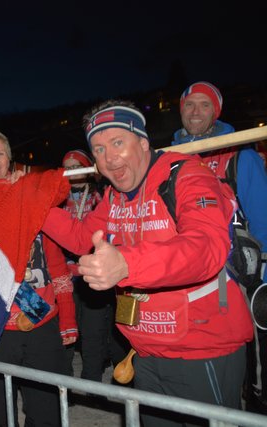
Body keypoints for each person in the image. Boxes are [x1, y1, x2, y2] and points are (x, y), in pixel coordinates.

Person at [41, 100, 253, 427]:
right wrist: (32, 206)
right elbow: (84, 236)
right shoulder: (113, 196)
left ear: (142, 142)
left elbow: (206, 248)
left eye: (117, 143)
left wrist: (126, 264)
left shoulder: (186, 175)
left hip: (201, 350)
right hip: (145, 352)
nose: (109, 157)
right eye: (98, 148)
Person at [0, 127, 77, 427]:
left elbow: (62, 185)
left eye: (0, 153)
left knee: (47, 412)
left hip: (41, 322)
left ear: (10, 160)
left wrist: (30, 184)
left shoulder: (29, 194)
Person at [172, 81, 267, 412]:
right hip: (187, 279)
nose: (196, 111)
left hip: (238, 279)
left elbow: (263, 219)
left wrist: (262, 283)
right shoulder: (168, 158)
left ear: (217, 111)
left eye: (204, 105)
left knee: (255, 370)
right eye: (189, 104)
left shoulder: (239, 154)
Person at [59, 149, 129, 384]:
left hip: (93, 270)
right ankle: (67, 382)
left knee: (93, 328)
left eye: (77, 166)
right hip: (65, 272)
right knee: (69, 327)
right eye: (67, 167)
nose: (72, 171)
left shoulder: (99, 195)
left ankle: (92, 381)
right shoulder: (58, 197)